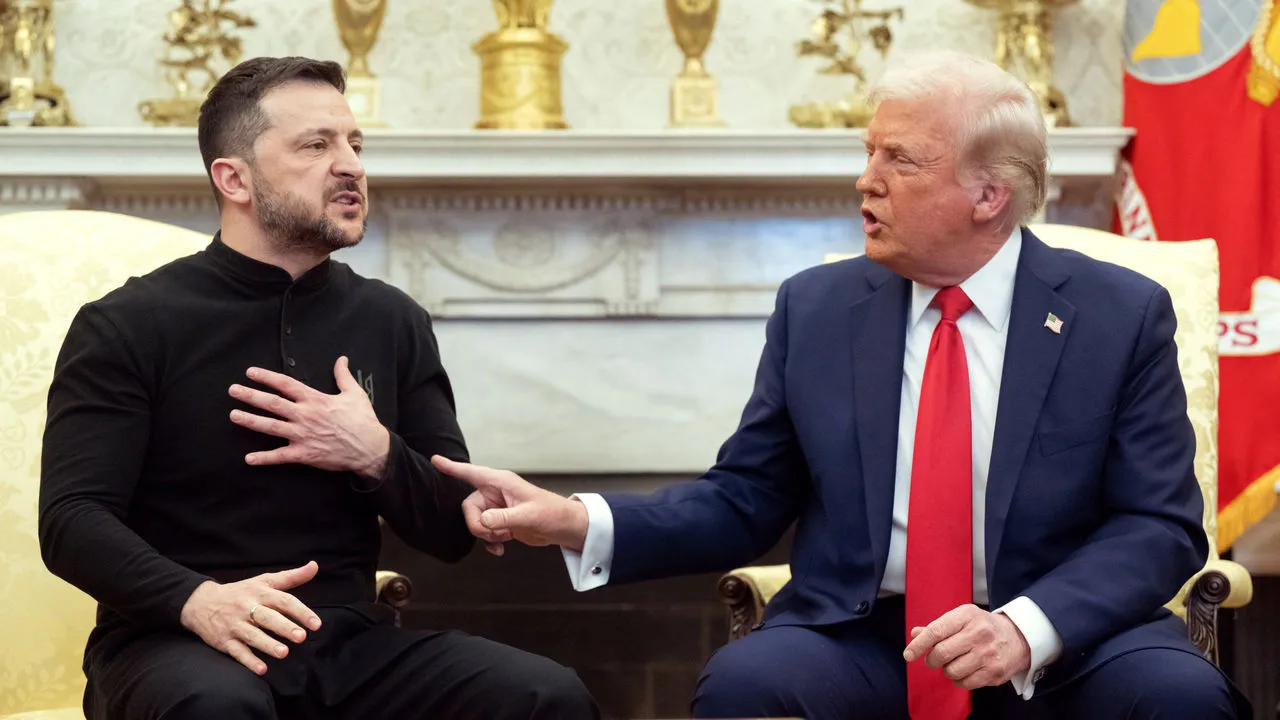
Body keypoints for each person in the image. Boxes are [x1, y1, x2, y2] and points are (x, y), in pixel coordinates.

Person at [429, 50, 1247, 720]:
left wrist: (1025, 628)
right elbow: (744, 498)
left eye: (900, 159)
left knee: (1179, 699)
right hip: (867, 635)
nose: (867, 180)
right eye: (869, 152)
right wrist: (575, 520)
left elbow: (1158, 525)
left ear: (989, 194)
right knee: (748, 686)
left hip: (1067, 637)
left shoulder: (1117, 313)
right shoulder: (817, 309)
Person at [38, 56, 598, 720]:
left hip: (346, 642)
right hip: (173, 640)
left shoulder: (391, 320)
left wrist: (376, 455)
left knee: (544, 695)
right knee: (216, 707)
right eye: (316, 145)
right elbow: (71, 521)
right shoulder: (127, 323)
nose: (350, 165)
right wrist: (198, 600)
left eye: (355, 144)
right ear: (234, 178)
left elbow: (451, 530)